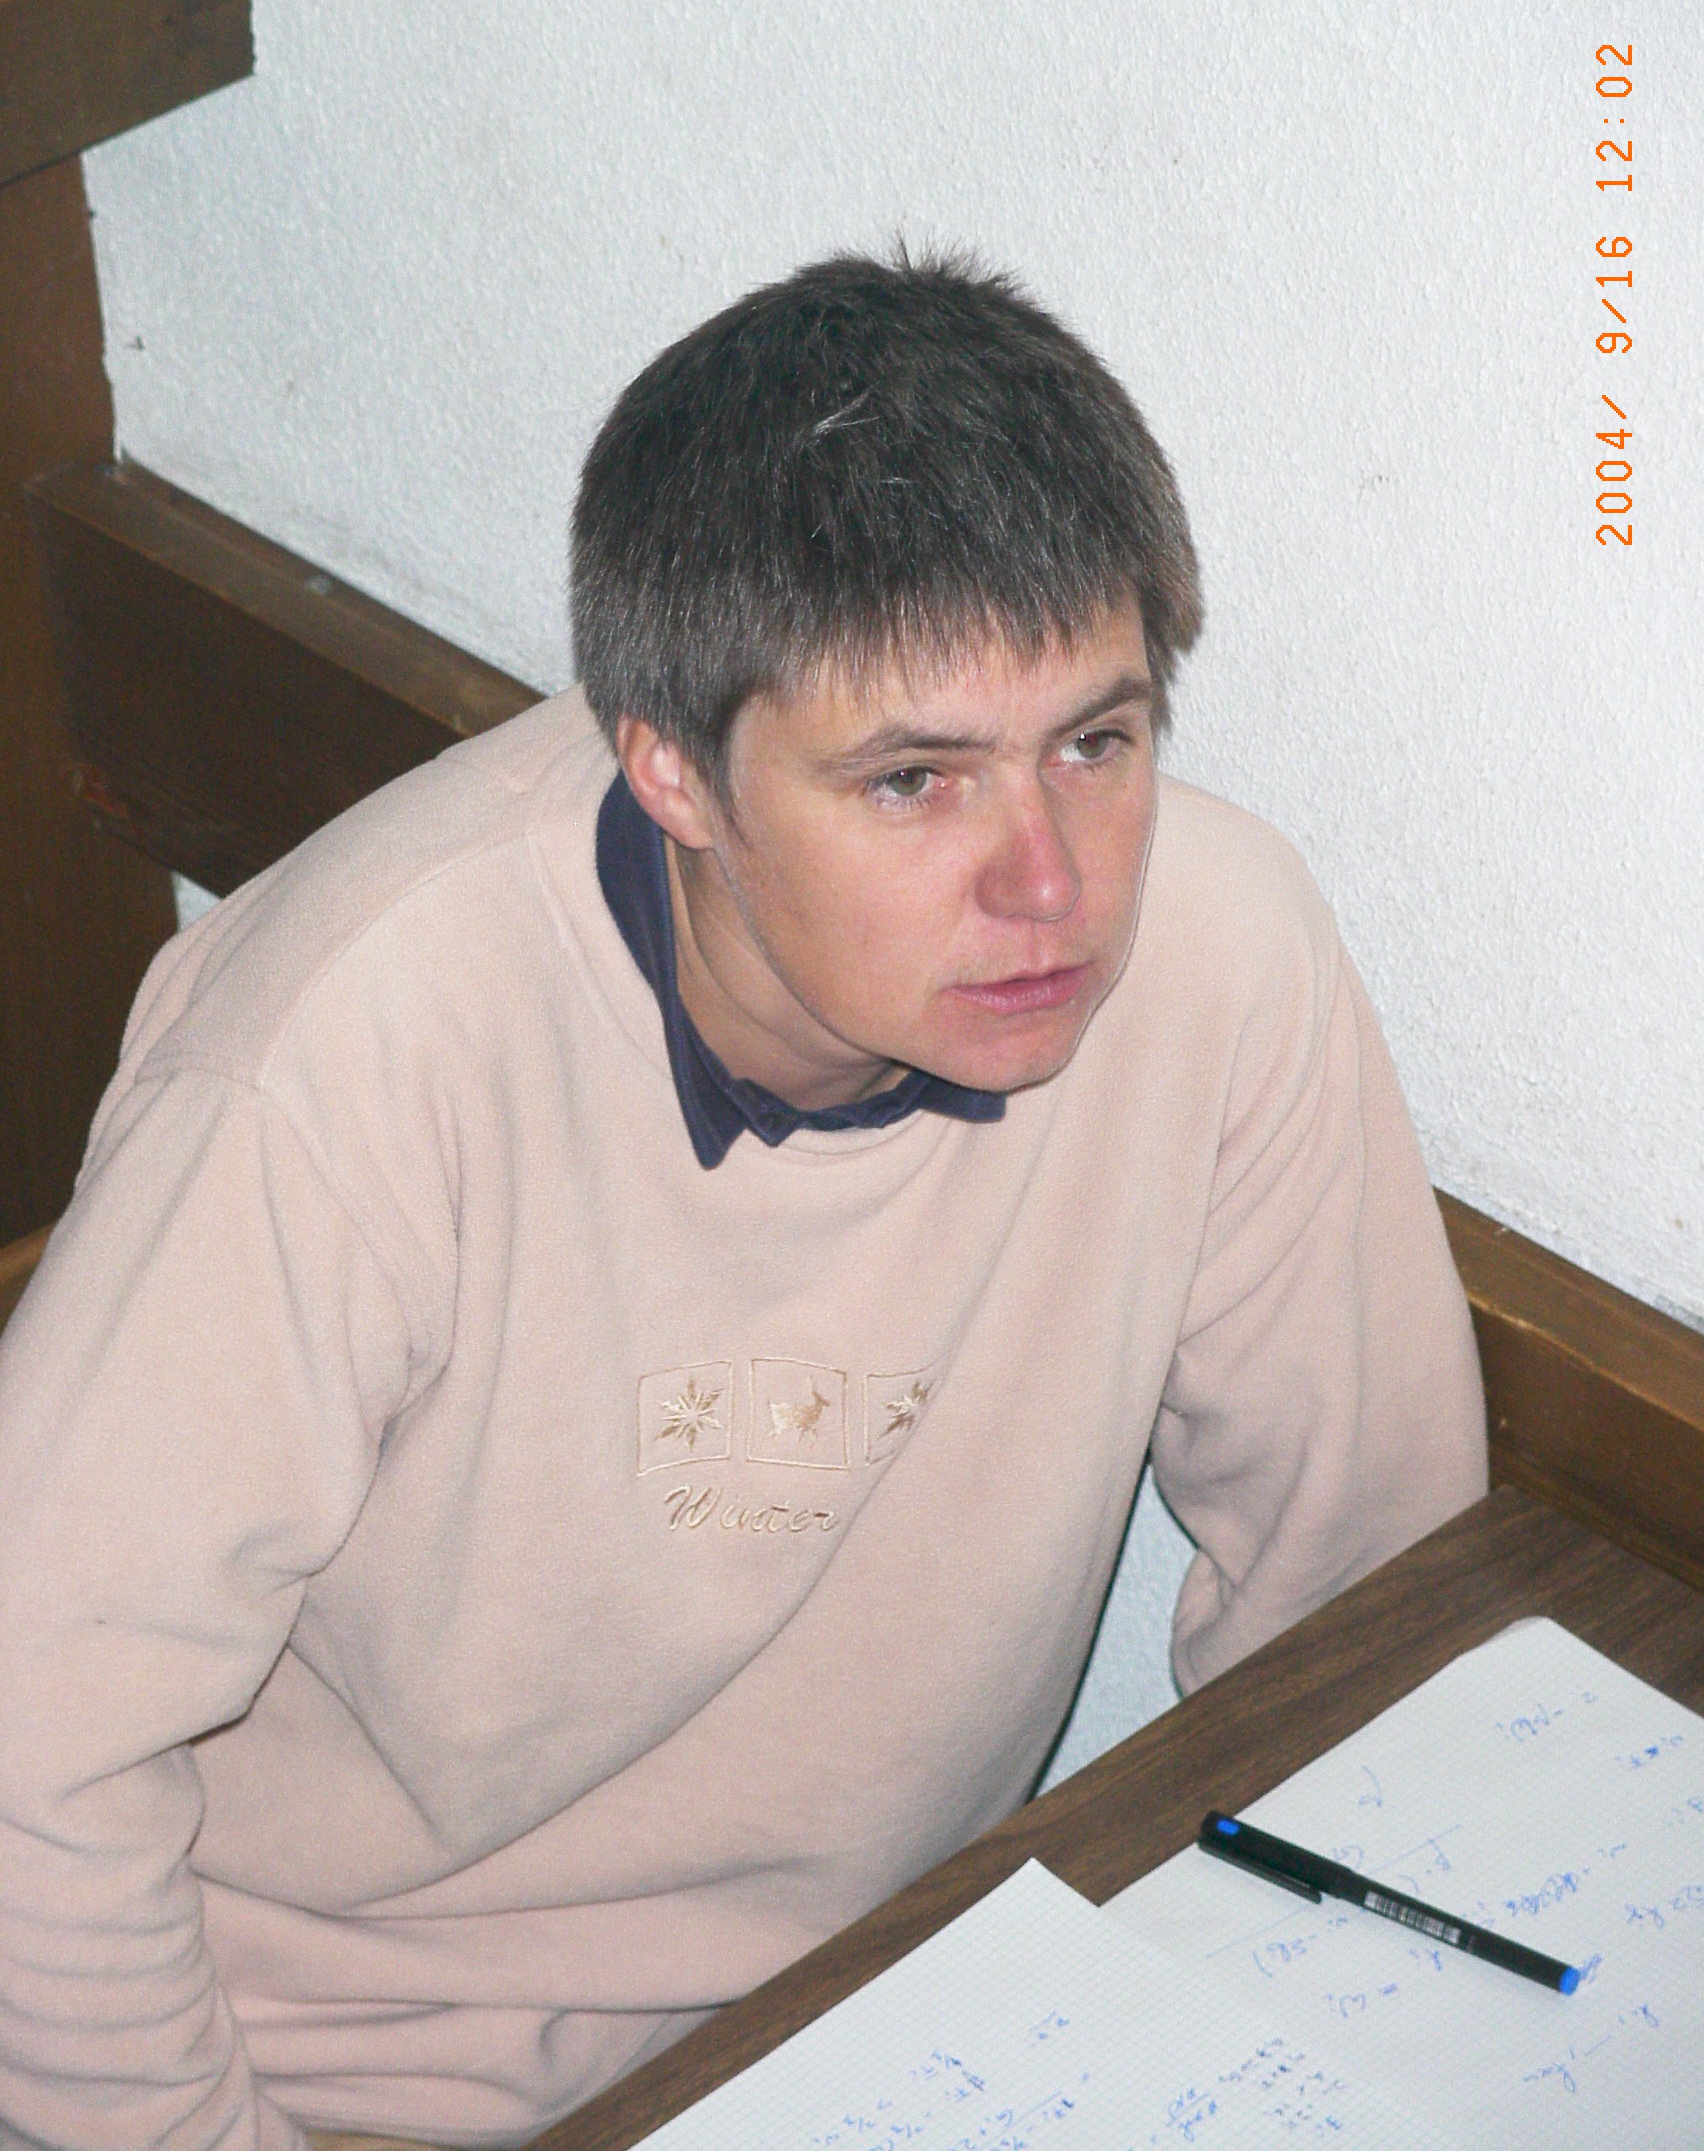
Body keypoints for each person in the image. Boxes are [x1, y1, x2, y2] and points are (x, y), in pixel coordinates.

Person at [0, 253, 1485, 2151]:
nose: (1050, 883)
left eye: (1096, 743)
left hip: (909, 2025)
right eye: (916, 781)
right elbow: (31, 1755)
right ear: (674, 774)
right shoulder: (341, 1063)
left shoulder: (1223, 958)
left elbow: (1367, 1602)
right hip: (334, 2071)